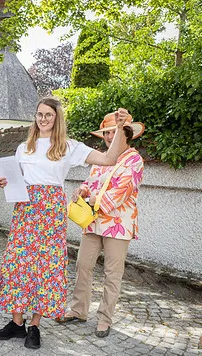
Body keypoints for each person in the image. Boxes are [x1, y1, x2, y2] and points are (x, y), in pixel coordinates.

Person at [0, 97, 131, 350]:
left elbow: (110, 158)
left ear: (57, 119)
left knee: (45, 266)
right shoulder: (24, 147)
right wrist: (6, 181)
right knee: (18, 262)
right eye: (39, 114)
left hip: (50, 210)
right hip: (25, 208)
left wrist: (120, 128)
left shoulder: (69, 147)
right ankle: (16, 323)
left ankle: (34, 326)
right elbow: (16, 177)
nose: (43, 119)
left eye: (48, 115)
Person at [57, 113, 145, 338]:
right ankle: (78, 311)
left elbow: (122, 191)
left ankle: (105, 319)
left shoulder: (134, 160)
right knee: (82, 266)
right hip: (93, 222)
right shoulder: (103, 158)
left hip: (118, 224)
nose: (108, 136)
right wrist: (83, 190)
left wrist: (95, 200)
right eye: (106, 132)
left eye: (113, 132)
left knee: (112, 273)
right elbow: (91, 182)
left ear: (126, 134)